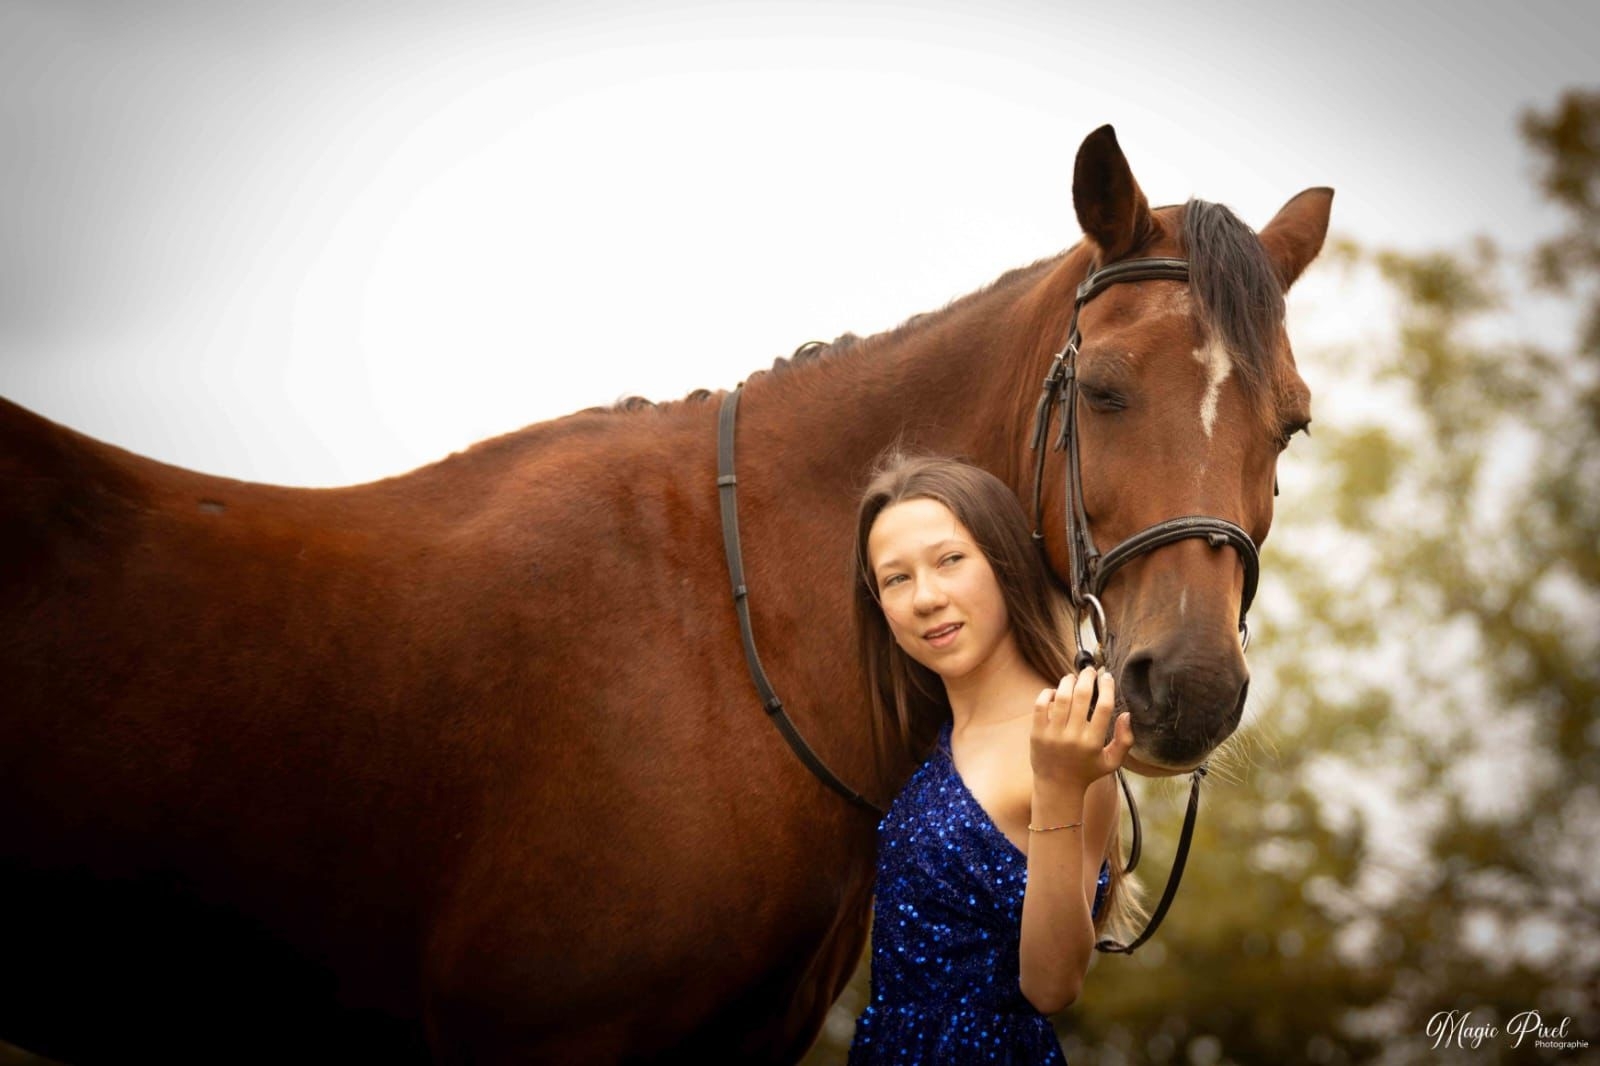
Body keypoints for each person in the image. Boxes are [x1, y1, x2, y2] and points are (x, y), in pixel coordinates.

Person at [846, 452, 1141, 1064]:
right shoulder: (930, 738)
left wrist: (1057, 786)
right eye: (896, 579)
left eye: (950, 560)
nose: (926, 597)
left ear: (1004, 561)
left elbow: (1053, 986)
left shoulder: (1065, 739)